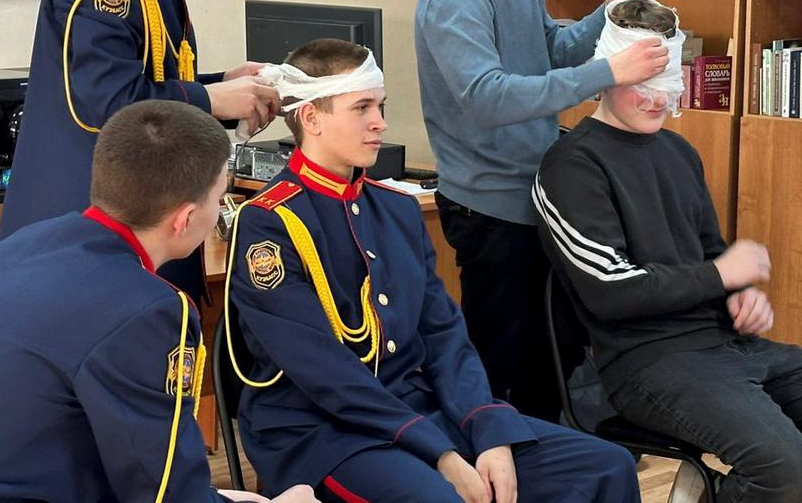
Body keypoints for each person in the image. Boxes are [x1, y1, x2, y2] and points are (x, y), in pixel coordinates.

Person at [0, 101, 318, 503]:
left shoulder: (28, 243)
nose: (222, 211)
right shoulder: (148, 311)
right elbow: (164, 492)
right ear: (185, 218)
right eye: (220, 197)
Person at [226, 38, 639, 503]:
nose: (380, 122)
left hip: (417, 409)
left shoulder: (397, 210)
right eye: (361, 108)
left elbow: (444, 335)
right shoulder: (270, 224)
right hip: (323, 432)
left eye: (380, 105)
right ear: (311, 118)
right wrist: (441, 452)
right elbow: (323, 371)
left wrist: (488, 428)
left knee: (605, 465)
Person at [414, 0, 669, 421]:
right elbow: (488, 97)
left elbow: (549, 49)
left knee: (553, 357)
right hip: (491, 208)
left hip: (538, 191)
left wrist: (605, 13)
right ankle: (502, 460)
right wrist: (608, 71)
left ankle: (558, 457)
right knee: (505, 367)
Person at [0, 0, 280, 301]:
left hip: (132, 227)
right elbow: (106, 102)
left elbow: (146, 79)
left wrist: (221, 82)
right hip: (88, 237)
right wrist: (213, 99)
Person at [534, 0, 802, 503]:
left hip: (728, 345)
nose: (657, 101)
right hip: (649, 362)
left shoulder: (679, 151)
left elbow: (709, 255)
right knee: (786, 471)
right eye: (643, 86)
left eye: (667, 86)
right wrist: (721, 276)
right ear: (606, 76)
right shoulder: (571, 166)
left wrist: (738, 294)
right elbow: (611, 291)